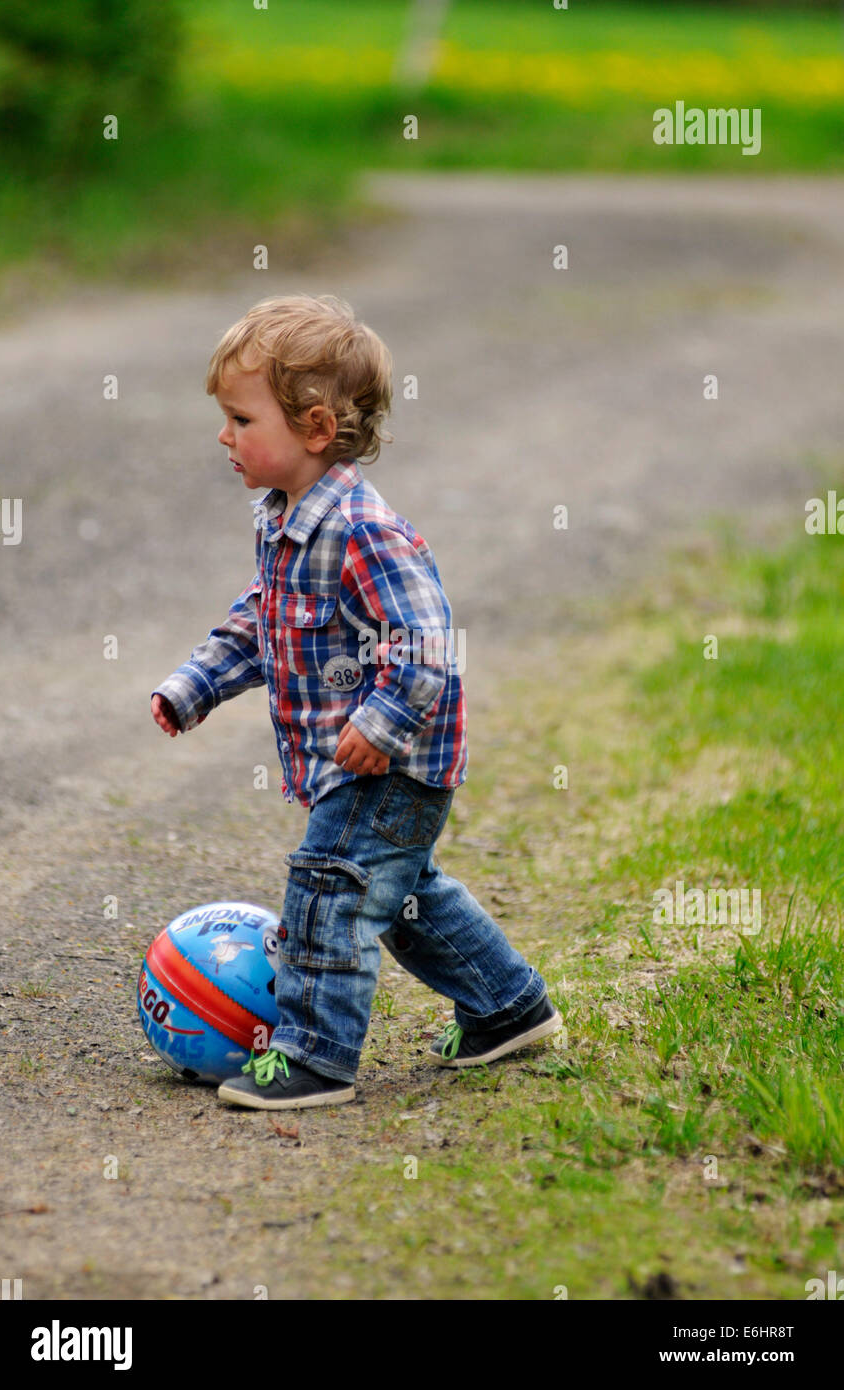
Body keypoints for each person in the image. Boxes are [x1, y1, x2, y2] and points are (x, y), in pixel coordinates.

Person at [151, 293, 559, 1110]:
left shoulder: (365, 530)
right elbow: (256, 621)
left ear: (311, 428)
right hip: (348, 764)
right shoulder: (281, 522)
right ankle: (509, 1008)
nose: (224, 436)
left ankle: (316, 1054)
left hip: (393, 762)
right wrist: (195, 685)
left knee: (331, 885)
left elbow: (424, 642)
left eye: (240, 418)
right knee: (404, 897)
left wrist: (380, 724)